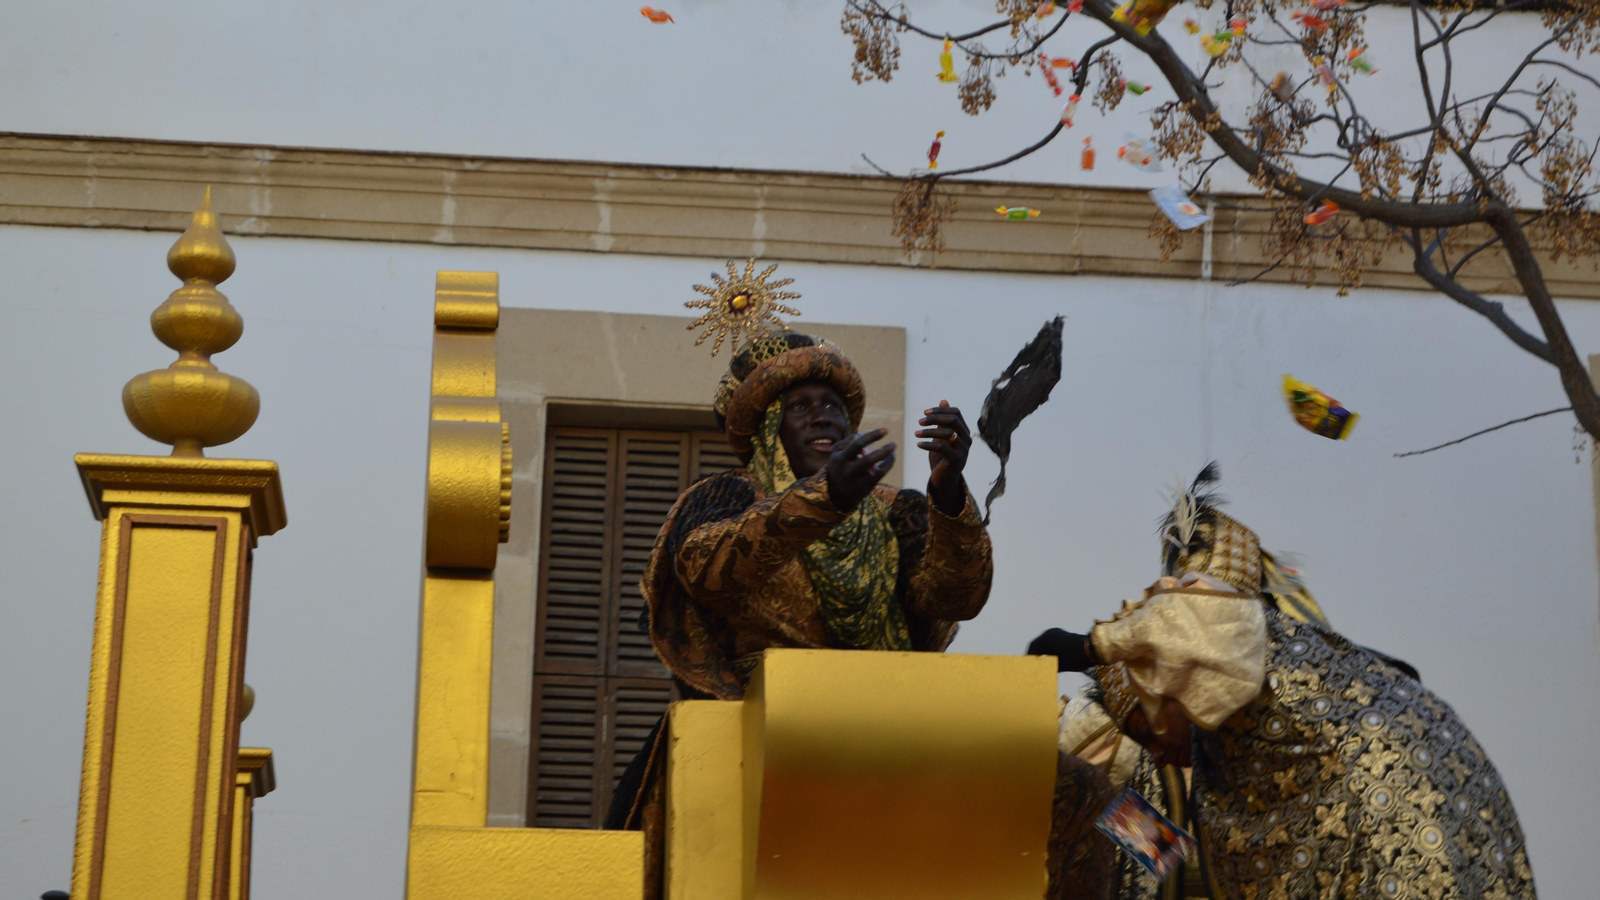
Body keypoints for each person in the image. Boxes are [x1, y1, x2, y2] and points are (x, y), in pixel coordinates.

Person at [608, 332, 998, 898]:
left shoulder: (897, 513)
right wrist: (821, 499)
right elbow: (707, 569)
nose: (823, 416)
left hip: (887, 742)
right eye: (799, 407)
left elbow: (956, 597)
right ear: (771, 430)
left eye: (833, 406)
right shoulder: (725, 498)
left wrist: (946, 490)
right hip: (752, 747)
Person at [1030, 465, 1536, 899]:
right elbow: (1155, 865)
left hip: (1400, 833)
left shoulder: (1261, 655)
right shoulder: (1136, 754)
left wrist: (1085, 646)